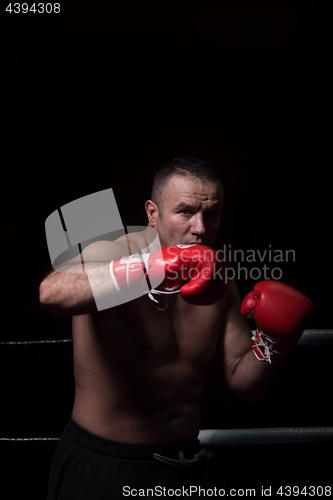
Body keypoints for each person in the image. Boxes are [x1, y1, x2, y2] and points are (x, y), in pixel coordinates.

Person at [40, 158, 314, 499]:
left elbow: (245, 385)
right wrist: (149, 268)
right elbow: (52, 292)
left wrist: (275, 344)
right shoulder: (110, 253)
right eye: (184, 211)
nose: (200, 228)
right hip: (105, 465)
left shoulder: (220, 284)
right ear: (152, 214)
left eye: (211, 214)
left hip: (187, 465)